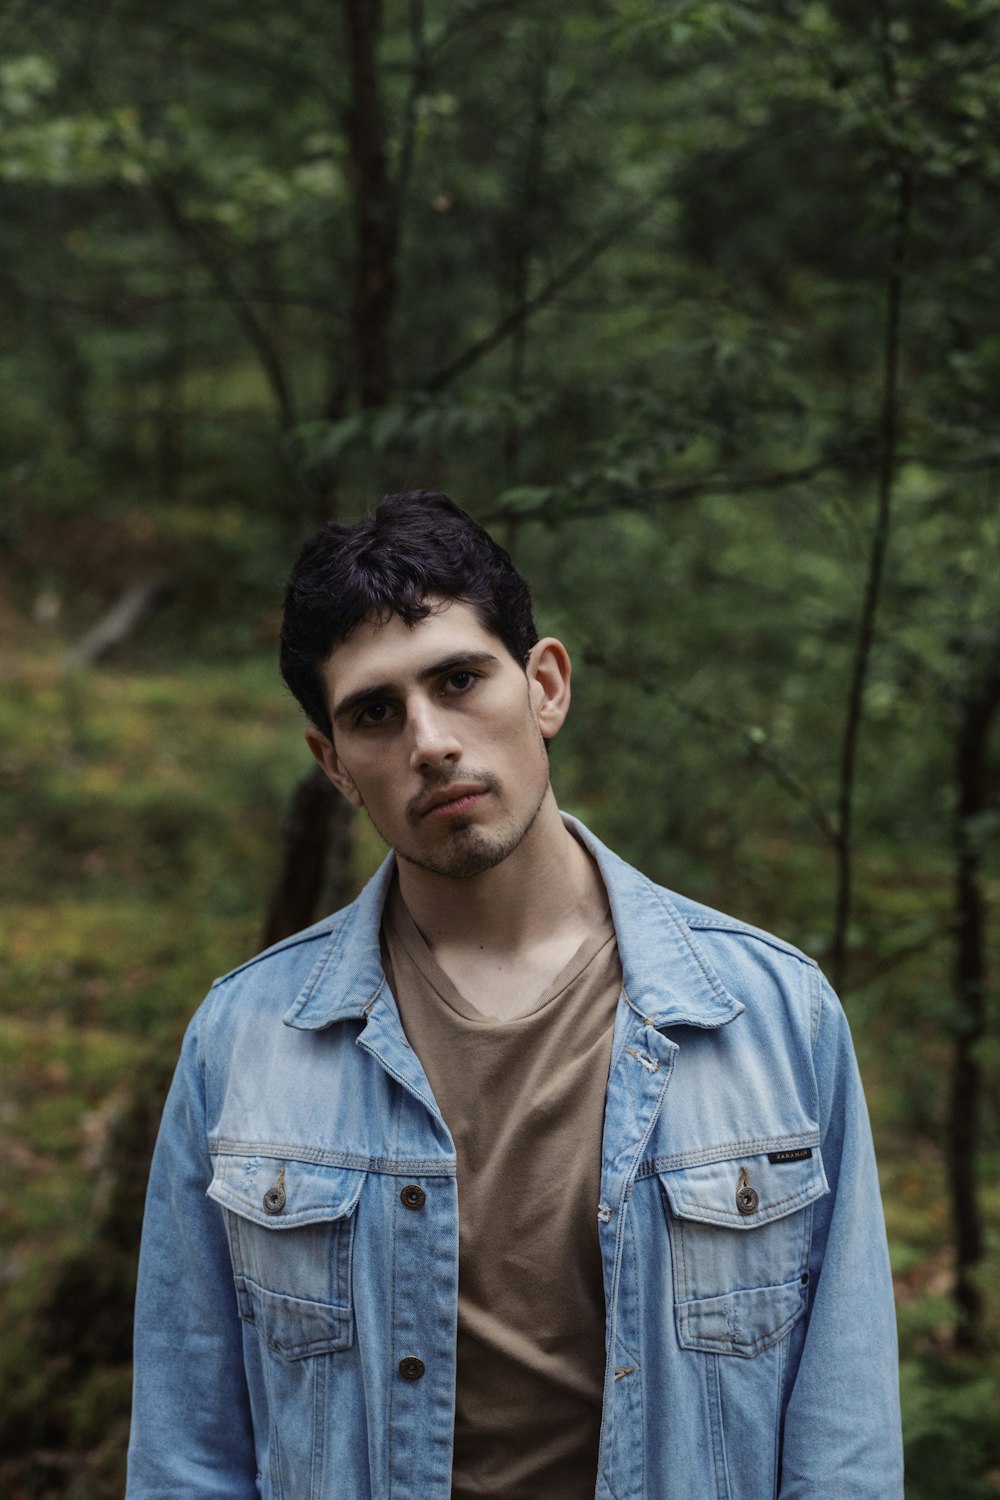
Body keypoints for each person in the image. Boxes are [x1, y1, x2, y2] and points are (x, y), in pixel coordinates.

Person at [126, 491, 904, 1500]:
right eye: (374, 712)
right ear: (334, 765)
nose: (431, 740)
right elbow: (188, 1456)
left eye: (458, 679)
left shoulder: (770, 1016)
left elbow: (844, 1449)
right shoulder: (244, 1041)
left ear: (544, 685)